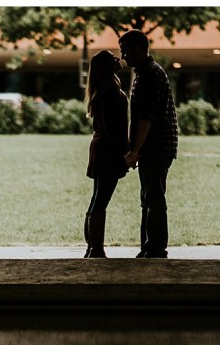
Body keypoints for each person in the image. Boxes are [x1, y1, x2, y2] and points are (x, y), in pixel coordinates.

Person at [119, 29, 179, 258]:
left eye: (126, 52)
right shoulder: (148, 72)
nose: (124, 57)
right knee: (149, 197)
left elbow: (146, 117)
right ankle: (148, 247)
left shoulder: (149, 75)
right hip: (157, 146)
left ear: (138, 49)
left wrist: (134, 151)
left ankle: (154, 248)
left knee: (153, 198)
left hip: (155, 147)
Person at [83, 50, 130, 258]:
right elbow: (115, 129)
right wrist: (127, 153)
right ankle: (96, 248)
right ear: (106, 66)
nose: (117, 58)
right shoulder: (111, 92)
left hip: (100, 148)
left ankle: (92, 247)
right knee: (101, 200)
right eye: (112, 57)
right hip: (108, 151)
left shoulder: (103, 90)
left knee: (97, 198)